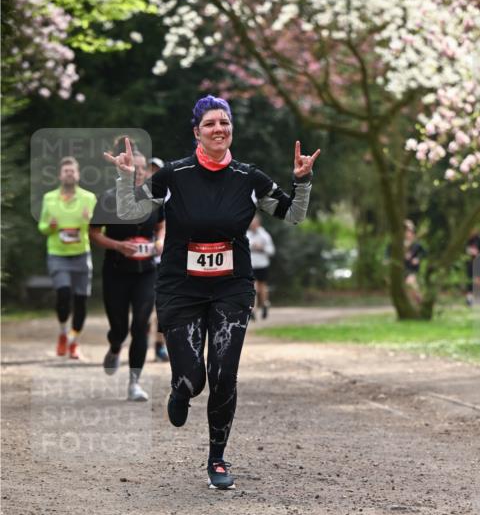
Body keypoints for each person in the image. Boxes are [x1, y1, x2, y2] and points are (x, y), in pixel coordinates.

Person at [104, 95, 320, 490]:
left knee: (224, 374)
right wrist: (123, 178)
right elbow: (131, 210)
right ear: (197, 133)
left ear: (231, 129)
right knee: (194, 378)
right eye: (210, 124)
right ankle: (180, 388)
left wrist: (302, 180)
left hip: (231, 287)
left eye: (225, 122)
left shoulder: (248, 178)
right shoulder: (174, 175)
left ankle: (217, 458)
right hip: (180, 287)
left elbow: (294, 214)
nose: (219, 129)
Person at [90, 142, 165, 402]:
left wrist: (160, 241)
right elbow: (93, 234)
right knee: (120, 328)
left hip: (147, 272)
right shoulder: (110, 198)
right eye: (136, 168)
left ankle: (134, 382)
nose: (141, 172)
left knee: (141, 324)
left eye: (144, 169)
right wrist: (118, 246)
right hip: (116, 271)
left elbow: (162, 225)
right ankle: (114, 346)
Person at [37, 156, 96, 359]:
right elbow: (42, 227)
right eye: (66, 171)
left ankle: (73, 342)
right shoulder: (49, 198)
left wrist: (90, 222)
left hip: (81, 254)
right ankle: (63, 333)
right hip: (58, 254)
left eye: (72, 171)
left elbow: (100, 229)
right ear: (60, 175)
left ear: (78, 174)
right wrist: (50, 227)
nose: (69, 174)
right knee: (63, 295)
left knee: (81, 301)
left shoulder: (89, 198)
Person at [146, 156, 169, 362]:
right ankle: (142, 339)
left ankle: (160, 346)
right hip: (143, 259)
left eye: (157, 171)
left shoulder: (173, 196)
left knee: (162, 306)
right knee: (145, 306)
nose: (153, 174)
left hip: (167, 260)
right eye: (150, 170)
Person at [247, 213, 275, 319]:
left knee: (262, 287)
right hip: (251, 265)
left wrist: (262, 248)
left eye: (254, 223)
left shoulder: (264, 235)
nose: (252, 225)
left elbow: (271, 251)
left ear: (258, 223)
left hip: (262, 265)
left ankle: (264, 305)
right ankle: (253, 310)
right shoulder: (247, 234)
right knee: (253, 287)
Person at [403, 219, 426, 306]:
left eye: (410, 231)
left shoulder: (416, 244)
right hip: (403, 268)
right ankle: (418, 303)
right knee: (408, 289)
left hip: (412, 269)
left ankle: (422, 301)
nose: (408, 233)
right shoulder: (400, 244)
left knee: (410, 283)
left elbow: (424, 253)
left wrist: (417, 259)